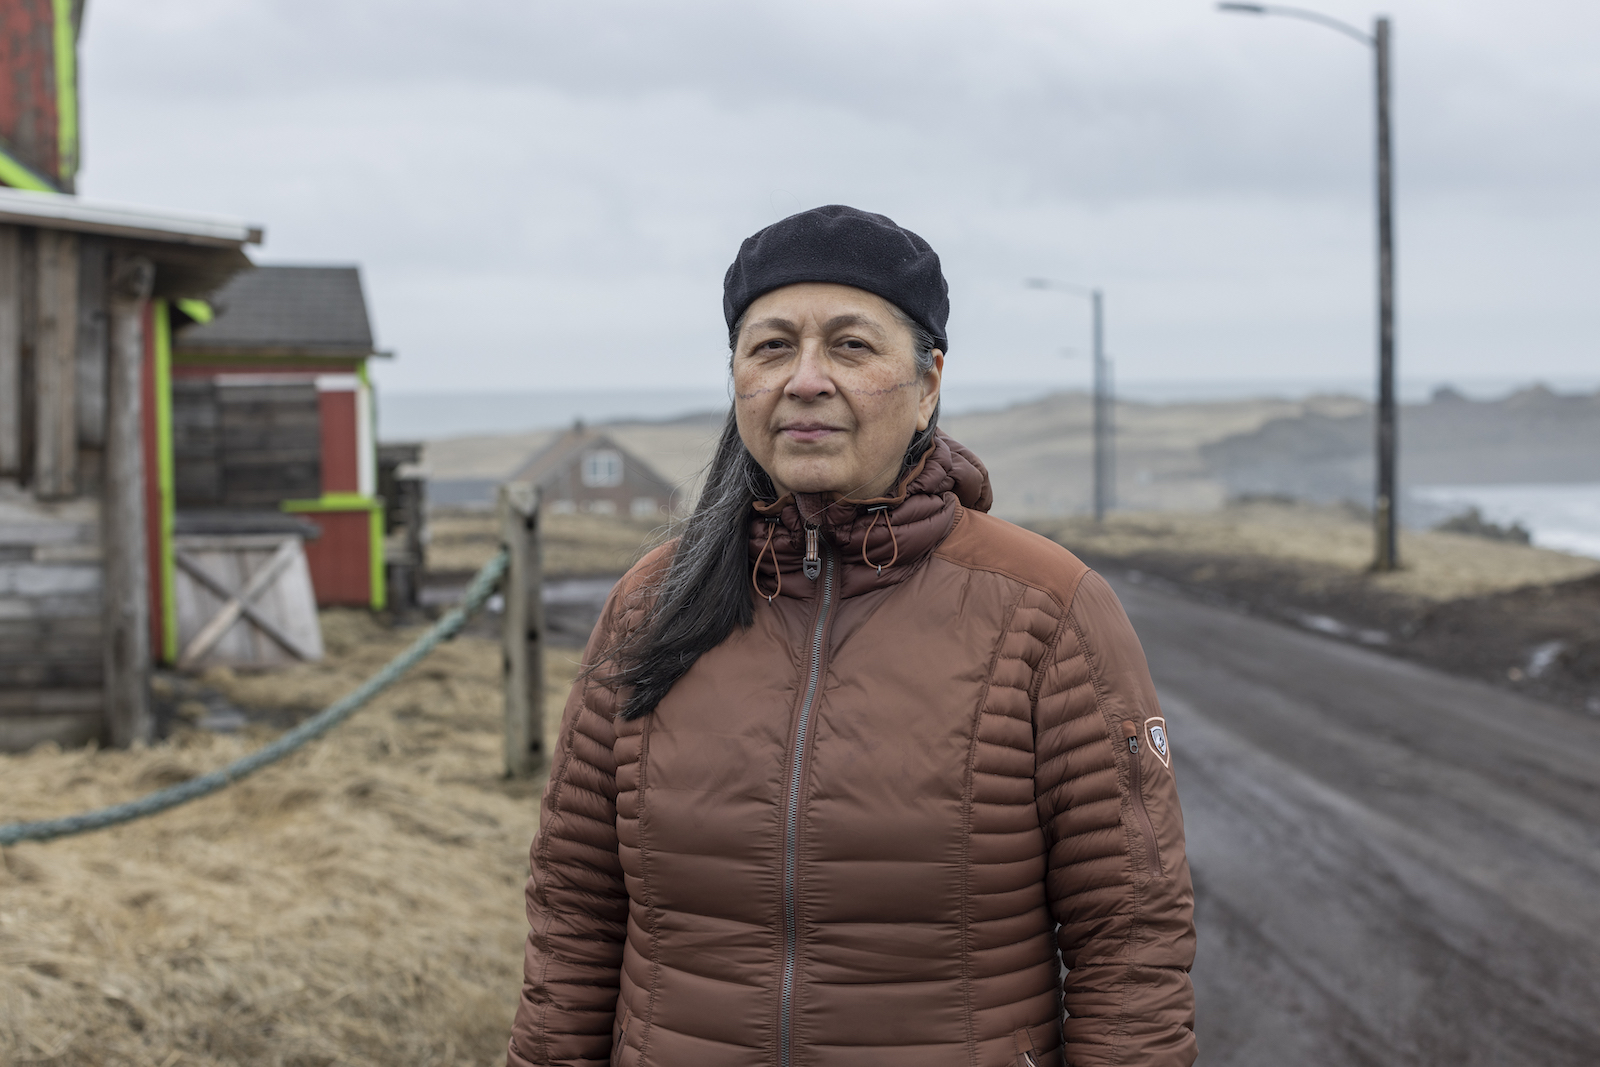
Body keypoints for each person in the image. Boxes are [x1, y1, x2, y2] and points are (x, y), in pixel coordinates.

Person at [507, 205, 1196, 1067]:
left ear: (929, 383)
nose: (805, 379)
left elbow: (1129, 934)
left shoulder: (1048, 612)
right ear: (737, 379)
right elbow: (575, 909)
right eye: (770, 347)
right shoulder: (651, 605)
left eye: (850, 345)